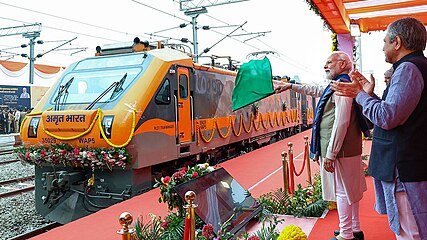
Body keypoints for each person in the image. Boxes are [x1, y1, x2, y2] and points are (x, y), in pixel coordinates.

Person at [331, 17, 427, 240]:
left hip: (405, 168)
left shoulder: (407, 70)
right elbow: (399, 112)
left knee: (411, 233)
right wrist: (369, 94)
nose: (382, 47)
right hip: (412, 164)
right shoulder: (416, 67)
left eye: (384, 41)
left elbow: (388, 116)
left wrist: (360, 95)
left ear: (397, 42)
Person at [276, 51, 367, 240]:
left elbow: (342, 121)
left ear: (342, 64)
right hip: (348, 148)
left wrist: (331, 154)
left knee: (342, 191)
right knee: (352, 190)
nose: (325, 66)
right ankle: (355, 229)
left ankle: (346, 234)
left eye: (329, 62)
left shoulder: (342, 86)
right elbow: (316, 89)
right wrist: (290, 86)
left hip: (340, 150)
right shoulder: (340, 84)